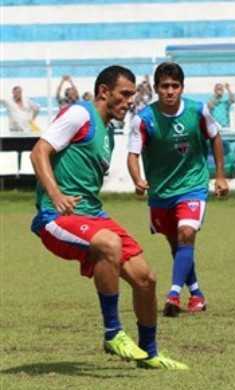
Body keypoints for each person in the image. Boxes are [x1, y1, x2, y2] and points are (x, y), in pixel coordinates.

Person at [29, 65, 188, 369]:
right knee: (109, 244)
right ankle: (113, 332)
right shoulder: (80, 115)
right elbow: (39, 151)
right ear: (104, 91)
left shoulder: (110, 132)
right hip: (56, 216)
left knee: (146, 278)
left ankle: (150, 353)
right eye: (125, 94)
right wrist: (56, 194)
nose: (131, 101)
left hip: (92, 214)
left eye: (133, 95)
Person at [127, 62, 229, 318]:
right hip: (161, 192)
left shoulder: (197, 111)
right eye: (165, 86)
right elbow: (132, 154)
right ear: (156, 88)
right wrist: (138, 179)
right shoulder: (144, 119)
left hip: (193, 185)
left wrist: (219, 175)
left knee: (186, 233)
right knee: (177, 244)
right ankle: (196, 293)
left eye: (175, 86)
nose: (170, 91)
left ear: (182, 87)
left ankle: (173, 293)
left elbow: (215, 136)